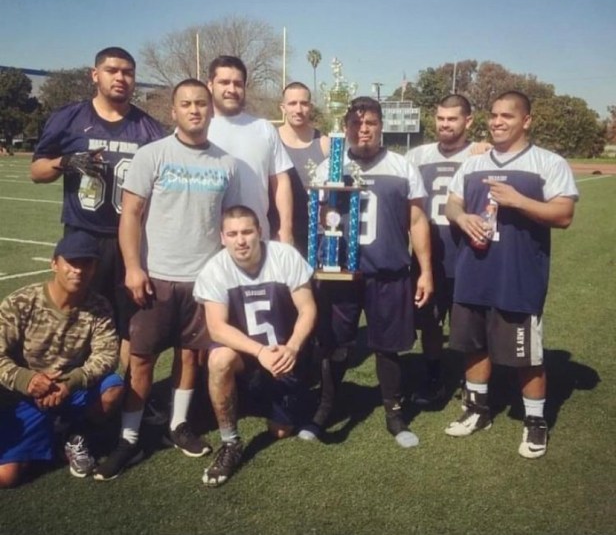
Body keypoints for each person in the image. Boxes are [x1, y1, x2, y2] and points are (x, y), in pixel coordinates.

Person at [93, 79, 241, 481]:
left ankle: (177, 425)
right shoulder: (152, 154)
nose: (194, 110)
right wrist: (133, 267)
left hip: (203, 280)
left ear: (211, 110)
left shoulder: (227, 164)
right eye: (186, 104)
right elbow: (131, 215)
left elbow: (229, 224)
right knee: (141, 358)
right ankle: (129, 438)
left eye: (201, 104)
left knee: (190, 356)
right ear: (173, 111)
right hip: (155, 276)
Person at [444, 90, 578, 459]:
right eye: (494, 115)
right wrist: (462, 217)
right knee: (473, 346)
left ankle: (535, 421)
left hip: (517, 276)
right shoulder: (472, 163)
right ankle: (477, 409)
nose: (498, 122)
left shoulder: (547, 162)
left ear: (526, 121)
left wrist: (517, 199)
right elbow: (452, 203)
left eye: (507, 116)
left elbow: (564, 214)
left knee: (526, 356)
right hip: (473, 271)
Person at [300, 96, 433, 447]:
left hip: (388, 271)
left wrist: (425, 271)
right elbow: (319, 218)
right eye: (357, 124)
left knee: (387, 348)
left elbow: (417, 221)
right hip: (340, 273)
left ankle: (394, 412)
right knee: (334, 344)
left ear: (381, 126)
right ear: (346, 128)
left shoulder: (402, 167)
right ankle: (325, 408)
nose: (364, 130)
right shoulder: (330, 167)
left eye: (371, 123)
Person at [31, 47, 166, 370]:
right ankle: (75, 390)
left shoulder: (149, 129)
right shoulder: (70, 118)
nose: (120, 78)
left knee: (131, 325)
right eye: (112, 70)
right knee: (76, 319)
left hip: (131, 241)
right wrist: (65, 162)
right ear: (95, 75)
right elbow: (36, 171)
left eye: (128, 72)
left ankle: (124, 394)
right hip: (83, 235)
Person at [194, 205, 317, 487]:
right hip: (246, 356)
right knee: (219, 359)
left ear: (260, 231)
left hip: (282, 355)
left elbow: (308, 309)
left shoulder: (284, 256)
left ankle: (258, 399)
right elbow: (217, 328)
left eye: (247, 232)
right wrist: (259, 352)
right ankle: (230, 442)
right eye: (232, 234)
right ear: (222, 237)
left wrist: (292, 348)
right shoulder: (215, 269)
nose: (241, 240)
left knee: (280, 431)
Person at [0, 231, 123, 488]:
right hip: (26, 394)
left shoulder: (99, 306)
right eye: (72, 262)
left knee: (113, 388)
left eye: (86, 263)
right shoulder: (22, 302)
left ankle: (74, 432)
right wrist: (27, 380)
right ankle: (48, 431)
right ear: (54, 263)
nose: (78, 270)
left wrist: (70, 381)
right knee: (7, 477)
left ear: (94, 268)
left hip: (69, 388)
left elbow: (107, 355)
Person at [405, 94, 477, 405]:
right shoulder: (417, 155)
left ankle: (473, 382)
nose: (445, 124)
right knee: (430, 322)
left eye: (452, 119)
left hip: (470, 255)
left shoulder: (480, 155)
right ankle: (434, 377)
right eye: (440, 118)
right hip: (429, 254)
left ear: (468, 121)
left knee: (469, 324)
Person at [206, 55, 294, 243]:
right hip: (208, 244)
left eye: (238, 84)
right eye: (224, 82)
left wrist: (286, 230)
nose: (231, 89)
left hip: (256, 242)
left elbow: (281, 181)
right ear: (210, 85)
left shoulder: (264, 128)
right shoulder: (197, 131)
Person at [277, 82, 330, 257]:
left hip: (316, 236)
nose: (298, 110)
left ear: (310, 107)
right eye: (292, 103)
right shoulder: (271, 140)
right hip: (279, 232)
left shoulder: (325, 144)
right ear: (283, 107)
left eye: (304, 103)